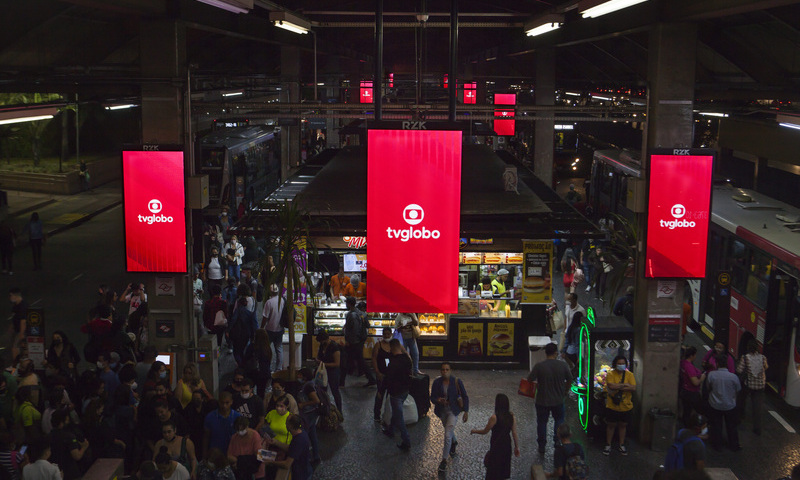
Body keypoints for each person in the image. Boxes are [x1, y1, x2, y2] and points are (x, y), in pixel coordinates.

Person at [528, 342, 573, 455]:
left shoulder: (539, 366)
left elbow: (530, 379)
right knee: (559, 420)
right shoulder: (563, 365)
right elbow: (570, 379)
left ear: (545, 353)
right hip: (558, 400)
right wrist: (565, 391)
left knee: (542, 423)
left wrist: (538, 384)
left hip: (542, 400)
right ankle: (557, 441)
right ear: (556, 353)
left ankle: (542, 445)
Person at [470, 393, 519, 480]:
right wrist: (516, 447)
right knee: (503, 468)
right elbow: (514, 433)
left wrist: (474, 431)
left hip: (497, 446)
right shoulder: (511, 417)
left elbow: (485, 431)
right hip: (507, 445)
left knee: (494, 469)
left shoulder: (494, 417)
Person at [431, 362, 469, 473]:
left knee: (447, 435)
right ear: (440, 371)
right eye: (443, 370)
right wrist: (438, 400)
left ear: (450, 370)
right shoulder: (437, 382)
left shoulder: (456, 381)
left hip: (453, 411)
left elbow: (465, 396)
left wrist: (466, 411)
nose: (445, 372)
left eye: (447, 369)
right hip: (442, 411)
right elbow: (432, 397)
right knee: (449, 430)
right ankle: (454, 441)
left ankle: (444, 460)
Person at [704, 353, 741, 451]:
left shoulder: (712, 375)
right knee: (731, 426)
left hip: (715, 405)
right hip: (730, 405)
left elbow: (708, 387)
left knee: (716, 425)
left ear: (717, 364)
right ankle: (734, 445)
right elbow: (738, 389)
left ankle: (717, 445)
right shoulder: (733, 377)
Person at [381, 339, 412, 451]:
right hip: (405, 391)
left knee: (399, 417)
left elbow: (388, 379)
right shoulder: (407, 360)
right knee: (396, 412)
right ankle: (390, 430)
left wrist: (381, 391)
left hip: (396, 393)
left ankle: (406, 441)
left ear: (392, 348)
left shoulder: (392, 363)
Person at [604, 355, 636, 456]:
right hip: (612, 406)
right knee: (611, 425)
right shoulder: (610, 374)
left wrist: (618, 386)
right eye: (619, 363)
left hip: (626, 406)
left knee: (623, 425)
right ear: (615, 364)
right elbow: (611, 385)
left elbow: (633, 388)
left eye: (623, 364)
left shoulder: (629, 375)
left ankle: (621, 444)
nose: (621, 365)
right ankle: (608, 444)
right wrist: (625, 385)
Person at [265, 414, 312, 480]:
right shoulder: (301, 433)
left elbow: (287, 464)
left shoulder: (298, 440)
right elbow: (291, 448)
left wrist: (270, 462)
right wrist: (276, 442)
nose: (285, 424)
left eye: (286, 422)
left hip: (300, 475)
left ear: (290, 426)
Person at [736, 340, 768, 435]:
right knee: (757, 407)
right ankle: (757, 429)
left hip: (748, 385)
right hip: (760, 386)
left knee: (741, 399)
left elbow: (739, 370)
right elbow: (765, 367)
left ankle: (740, 416)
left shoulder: (745, 358)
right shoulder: (763, 358)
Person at [342, 296, 375, 387]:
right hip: (360, 340)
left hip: (354, 341)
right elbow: (367, 326)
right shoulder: (362, 314)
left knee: (348, 359)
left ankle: (341, 381)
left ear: (348, 303)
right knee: (357, 360)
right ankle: (370, 378)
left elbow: (354, 330)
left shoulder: (351, 315)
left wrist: (349, 340)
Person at [49, 409, 88, 480]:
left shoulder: (49, 436)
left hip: (56, 473)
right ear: (61, 422)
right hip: (71, 473)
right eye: (66, 420)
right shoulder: (69, 436)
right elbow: (77, 456)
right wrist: (84, 447)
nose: (68, 422)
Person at [295, 368, 321, 465]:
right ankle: (316, 455)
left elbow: (316, 400)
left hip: (309, 413)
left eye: (300, 375)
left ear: (304, 376)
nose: (298, 376)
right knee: (312, 435)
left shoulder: (308, 386)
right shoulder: (310, 384)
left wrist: (303, 404)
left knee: (305, 435)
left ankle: (307, 457)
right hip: (311, 413)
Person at [203, 392, 241, 458]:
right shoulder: (210, 417)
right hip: (214, 454)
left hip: (232, 454)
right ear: (218, 402)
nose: (224, 406)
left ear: (231, 402)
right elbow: (206, 437)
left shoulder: (237, 417)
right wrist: (204, 455)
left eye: (227, 403)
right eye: (222, 403)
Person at [315, 332, 343, 414]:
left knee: (335, 391)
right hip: (324, 372)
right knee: (322, 391)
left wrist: (323, 364)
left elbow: (337, 363)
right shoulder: (322, 345)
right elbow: (319, 355)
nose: (320, 343)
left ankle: (339, 411)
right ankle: (324, 410)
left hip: (333, 372)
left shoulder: (334, 347)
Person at [680, 346, 706, 427]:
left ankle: (685, 427)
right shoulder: (689, 367)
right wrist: (702, 377)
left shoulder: (682, 363)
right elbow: (695, 382)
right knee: (702, 410)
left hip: (684, 391)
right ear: (691, 356)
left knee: (686, 411)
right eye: (695, 355)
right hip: (692, 393)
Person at [260, 289, 286, 372]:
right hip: (280, 328)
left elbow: (265, 317)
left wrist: (262, 327)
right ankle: (278, 368)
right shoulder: (282, 300)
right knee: (279, 348)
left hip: (270, 329)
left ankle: (266, 367)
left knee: (267, 349)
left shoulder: (269, 302)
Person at [242, 329, 272, 398]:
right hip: (264, 374)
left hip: (253, 373)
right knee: (261, 393)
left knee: (249, 391)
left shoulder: (252, 347)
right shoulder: (267, 348)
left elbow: (246, 358)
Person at [372, 327, 393, 422]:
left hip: (391, 375)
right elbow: (374, 359)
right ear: (383, 335)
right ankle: (377, 414)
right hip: (381, 374)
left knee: (390, 396)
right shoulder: (378, 345)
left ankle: (388, 414)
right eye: (385, 334)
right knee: (380, 394)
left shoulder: (394, 345)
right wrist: (377, 372)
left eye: (388, 334)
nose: (387, 336)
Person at [203, 285, 229, 349]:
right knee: (219, 341)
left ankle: (214, 354)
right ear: (220, 292)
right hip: (220, 325)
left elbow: (205, 315)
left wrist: (205, 324)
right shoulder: (223, 302)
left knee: (212, 342)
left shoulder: (208, 303)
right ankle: (218, 353)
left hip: (210, 325)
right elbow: (226, 314)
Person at [8, 287, 28, 361]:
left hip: (21, 331)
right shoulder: (16, 306)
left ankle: (16, 365)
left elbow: (23, 321)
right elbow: (14, 318)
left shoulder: (23, 306)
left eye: (11, 295)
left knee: (15, 347)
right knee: (20, 347)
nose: (10, 298)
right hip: (17, 330)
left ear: (15, 296)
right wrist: (11, 328)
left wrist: (21, 333)